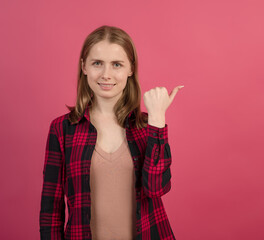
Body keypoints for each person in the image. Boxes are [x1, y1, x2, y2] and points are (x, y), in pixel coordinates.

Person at [39, 25, 183, 240]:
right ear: (84, 67)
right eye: (97, 63)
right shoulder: (62, 129)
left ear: (130, 69)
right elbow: (51, 207)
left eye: (117, 64)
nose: (106, 75)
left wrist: (158, 120)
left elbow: (156, 188)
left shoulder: (148, 127)